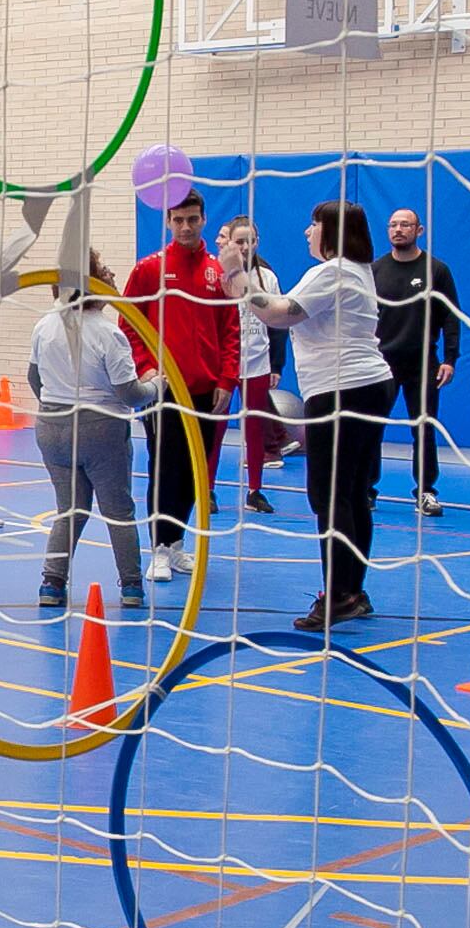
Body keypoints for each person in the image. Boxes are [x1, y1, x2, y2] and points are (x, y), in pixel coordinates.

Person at [242, 201, 395, 630]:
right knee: (350, 492)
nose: (307, 232)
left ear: (332, 231)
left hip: (344, 390)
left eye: (314, 225)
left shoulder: (335, 271)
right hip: (365, 387)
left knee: (329, 495)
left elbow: (279, 313)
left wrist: (238, 278)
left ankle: (341, 594)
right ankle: (352, 590)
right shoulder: (357, 270)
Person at [29, 253, 155, 615]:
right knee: (119, 511)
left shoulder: (46, 324)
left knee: (68, 510)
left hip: (51, 426)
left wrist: (59, 406)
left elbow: (34, 379)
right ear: (93, 282)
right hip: (102, 429)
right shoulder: (108, 332)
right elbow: (129, 393)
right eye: (104, 270)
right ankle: (131, 586)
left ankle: (52, 583)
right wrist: (156, 387)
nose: (111, 273)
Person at [123, 190, 239, 584]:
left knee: (195, 471)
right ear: (168, 222)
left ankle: (175, 544)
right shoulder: (148, 269)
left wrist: (228, 378)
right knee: (164, 467)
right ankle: (157, 545)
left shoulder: (218, 271)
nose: (186, 226)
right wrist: (148, 369)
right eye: (178, 220)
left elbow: (231, 329)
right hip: (163, 392)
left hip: (206, 390)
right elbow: (128, 325)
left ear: (204, 219)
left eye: (192, 219)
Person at [371, 207, 463, 518]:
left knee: (423, 428)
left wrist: (450, 358)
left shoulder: (437, 271)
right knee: (371, 428)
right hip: (380, 364)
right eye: (393, 224)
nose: (398, 230)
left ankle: (425, 491)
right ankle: (366, 489)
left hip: (423, 363)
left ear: (419, 230)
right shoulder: (375, 271)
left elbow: (450, 317)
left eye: (405, 225)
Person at [218, 217, 282, 516]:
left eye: (250, 241)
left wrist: (276, 366)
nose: (245, 246)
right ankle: (207, 490)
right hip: (224, 364)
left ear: (257, 242)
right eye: (239, 241)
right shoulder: (218, 275)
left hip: (257, 362)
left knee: (254, 430)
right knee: (215, 428)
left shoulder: (267, 278)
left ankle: (255, 490)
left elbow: (279, 322)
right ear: (229, 242)